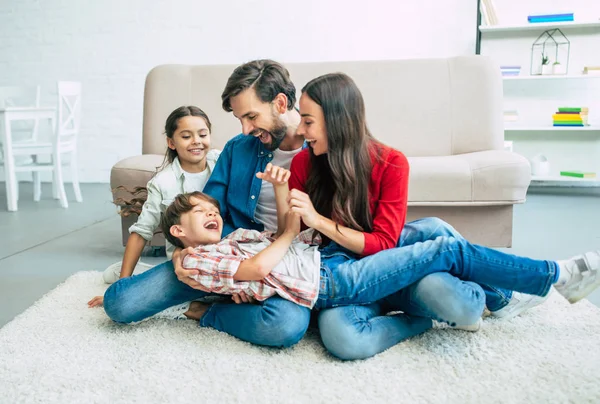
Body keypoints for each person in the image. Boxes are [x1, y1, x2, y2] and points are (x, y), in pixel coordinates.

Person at [286, 72, 577, 360]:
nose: (300, 130)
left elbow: (386, 243)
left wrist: (319, 220)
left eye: (308, 121)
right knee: (344, 338)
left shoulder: (390, 162)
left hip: (392, 257)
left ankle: (503, 295)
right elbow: (299, 242)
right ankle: (424, 318)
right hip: (350, 273)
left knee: (438, 245)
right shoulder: (303, 163)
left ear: (338, 122)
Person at [158, 180, 599, 326]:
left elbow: (287, 238)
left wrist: (286, 199)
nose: (212, 213)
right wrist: (284, 238)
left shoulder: (233, 239)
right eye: (201, 213)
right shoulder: (193, 259)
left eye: (214, 209)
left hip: (328, 260)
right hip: (331, 284)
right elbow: (259, 267)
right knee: (443, 247)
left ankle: (501, 299)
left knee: (429, 230)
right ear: (179, 231)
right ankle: (556, 274)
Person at [101, 61, 311, 347]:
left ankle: (210, 311)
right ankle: (228, 299)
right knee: (121, 303)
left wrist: (252, 278)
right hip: (223, 257)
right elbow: (209, 208)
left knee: (283, 327)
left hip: (286, 260)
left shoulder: (320, 150)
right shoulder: (238, 148)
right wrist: (183, 253)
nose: (246, 129)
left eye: (251, 116)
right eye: (240, 119)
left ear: (281, 103)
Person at [88, 106, 220, 314]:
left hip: (224, 257)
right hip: (184, 263)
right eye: (186, 136)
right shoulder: (163, 182)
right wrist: (124, 284)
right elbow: (141, 232)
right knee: (122, 301)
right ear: (171, 143)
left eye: (202, 134)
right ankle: (130, 276)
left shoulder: (222, 162)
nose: (196, 141)